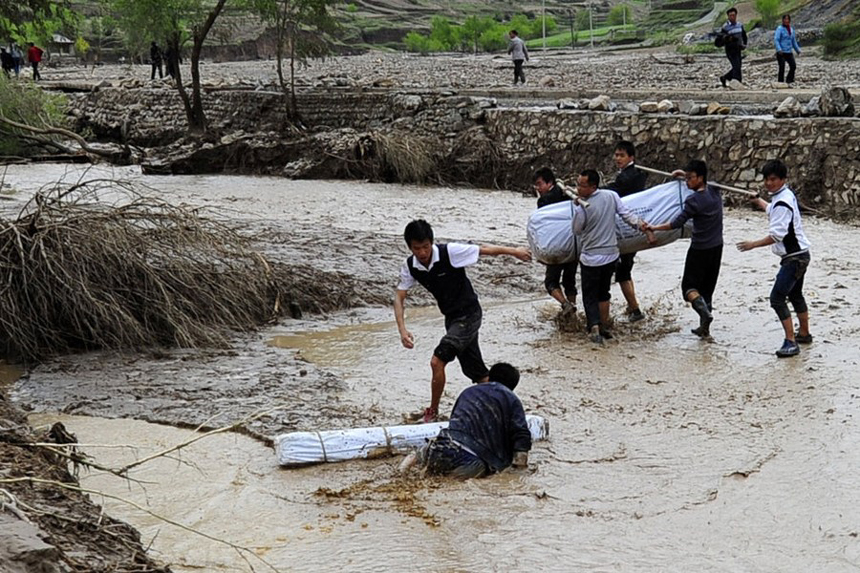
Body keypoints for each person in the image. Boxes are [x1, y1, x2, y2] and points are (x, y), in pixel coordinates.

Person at [394, 219, 531, 423]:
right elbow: (399, 297)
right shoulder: (410, 266)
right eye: (417, 248)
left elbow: (484, 250)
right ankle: (509, 410)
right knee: (477, 374)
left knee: (437, 360)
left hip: (469, 314)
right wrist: (402, 330)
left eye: (425, 247)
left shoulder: (450, 252)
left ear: (431, 242)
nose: (422, 253)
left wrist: (515, 251)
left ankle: (432, 412)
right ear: (409, 247)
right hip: (452, 318)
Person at [399, 362, 531, 479]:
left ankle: (401, 473)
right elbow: (521, 435)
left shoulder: (467, 392)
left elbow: (455, 422)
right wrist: (518, 472)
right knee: (448, 487)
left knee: (419, 456)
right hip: (472, 462)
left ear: (489, 378)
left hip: (442, 447)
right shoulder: (511, 399)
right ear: (512, 387)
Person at [736, 160, 812, 358]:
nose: (769, 183)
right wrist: (758, 201)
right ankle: (804, 334)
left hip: (794, 258)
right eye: (766, 179)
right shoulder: (784, 196)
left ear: (782, 180)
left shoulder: (783, 202)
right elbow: (772, 208)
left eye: (773, 180)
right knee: (795, 295)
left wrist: (753, 244)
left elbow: (776, 235)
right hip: (801, 255)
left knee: (777, 298)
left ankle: (791, 342)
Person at [645, 160, 723, 338]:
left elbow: (676, 223)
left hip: (699, 249)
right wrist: (684, 174)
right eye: (686, 178)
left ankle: (704, 315)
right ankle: (705, 328)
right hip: (717, 247)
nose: (687, 182)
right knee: (707, 290)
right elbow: (712, 185)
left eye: (690, 178)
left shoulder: (693, 200)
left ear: (701, 178)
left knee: (689, 289)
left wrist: (654, 228)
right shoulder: (715, 192)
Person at [572, 170, 649, 344]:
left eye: (582, 186)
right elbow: (627, 215)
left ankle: (594, 327)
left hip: (591, 257)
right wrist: (641, 225)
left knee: (590, 295)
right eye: (577, 184)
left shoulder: (583, 207)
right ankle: (604, 325)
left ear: (593, 186)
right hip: (610, 256)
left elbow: (577, 230)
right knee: (603, 292)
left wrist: (577, 208)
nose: (578, 189)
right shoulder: (611, 196)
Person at [605, 141, 648, 322]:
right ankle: (632, 307)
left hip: (626, 229)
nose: (617, 159)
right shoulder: (638, 174)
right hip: (633, 229)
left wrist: (594, 191)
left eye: (621, 155)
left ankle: (635, 309)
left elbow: (614, 191)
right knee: (625, 270)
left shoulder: (627, 177)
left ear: (631, 157)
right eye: (616, 155)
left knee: (622, 271)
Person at [534, 167, 578, 315]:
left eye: (540, 184)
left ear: (549, 183)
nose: (538, 188)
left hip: (556, 247)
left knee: (551, 282)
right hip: (572, 244)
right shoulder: (566, 194)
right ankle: (573, 311)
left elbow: (544, 226)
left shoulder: (544, 200)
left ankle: (566, 305)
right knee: (569, 281)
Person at [718, 7, 747, 88]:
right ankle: (736, 82)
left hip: (738, 49)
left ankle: (725, 78)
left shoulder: (739, 25)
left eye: (733, 15)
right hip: (730, 50)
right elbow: (721, 39)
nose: (732, 17)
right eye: (730, 16)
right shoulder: (725, 27)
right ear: (728, 16)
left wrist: (745, 44)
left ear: (736, 15)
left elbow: (744, 36)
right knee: (736, 66)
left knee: (738, 66)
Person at [774, 14, 801, 85]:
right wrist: (779, 49)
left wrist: (798, 50)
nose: (786, 21)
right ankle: (780, 82)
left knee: (793, 66)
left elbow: (793, 41)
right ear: (783, 20)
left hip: (789, 51)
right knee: (782, 67)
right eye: (785, 19)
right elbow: (776, 40)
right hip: (781, 52)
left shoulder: (791, 30)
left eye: (788, 19)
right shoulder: (779, 29)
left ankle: (789, 80)